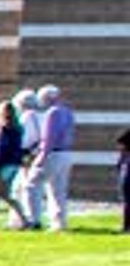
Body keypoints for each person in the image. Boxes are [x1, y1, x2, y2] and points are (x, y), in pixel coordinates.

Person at [22, 83, 80, 231]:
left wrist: (41, 156)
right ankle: (59, 223)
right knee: (58, 190)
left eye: (42, 99)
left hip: (52, 153)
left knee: (31, 185)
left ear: (47, 98)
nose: (40, 102)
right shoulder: (67, 112)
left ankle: (33, 219)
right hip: (66, 153)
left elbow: (49, 137)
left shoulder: (52, 113)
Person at [0, 91, 29, 226]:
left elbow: (2, 150)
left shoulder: (3, 129)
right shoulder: (18, 128)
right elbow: (19, 148)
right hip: (14, 164)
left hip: (4, 164)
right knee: (3, 194)